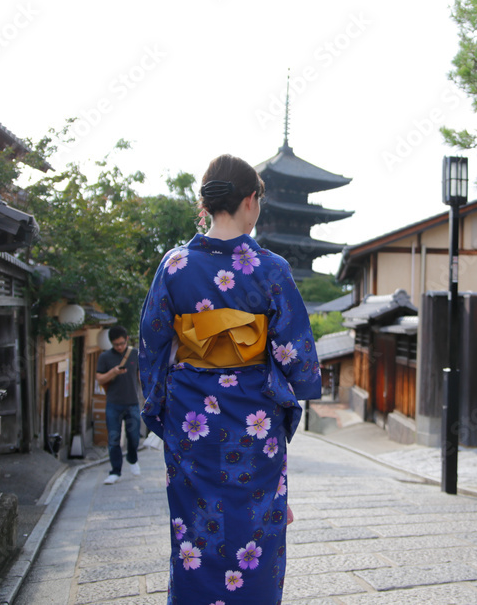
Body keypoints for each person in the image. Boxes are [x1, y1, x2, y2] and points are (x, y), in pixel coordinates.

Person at [139, 154, 321, 603]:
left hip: (191, 419)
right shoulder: (271, 268)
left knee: (193, 529)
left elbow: (152, 341)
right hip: (253, 417)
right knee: (256, 525)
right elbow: (293, 350)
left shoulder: (175, 265)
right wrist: (296, 382)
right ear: (250, 201)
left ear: (206, 202)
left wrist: (161, 401)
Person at [96, 325, 142, 485]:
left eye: (122, 343)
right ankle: (115, 471)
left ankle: (132, 458)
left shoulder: (135, 354)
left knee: (134, 436)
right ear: (111, 343)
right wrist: (113, 372)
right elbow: (100, 379)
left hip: (132, 402)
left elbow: (140, 376)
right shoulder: (105, 357)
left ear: (127, 339)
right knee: (113, 438)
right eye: (116, 344)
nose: (120, 347)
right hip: (113, 403)